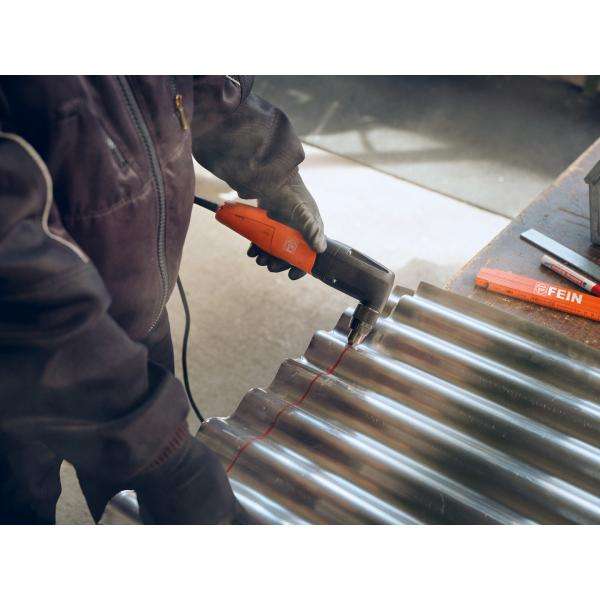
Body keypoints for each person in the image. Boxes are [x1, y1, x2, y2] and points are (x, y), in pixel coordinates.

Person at [0, 76, 326, 524]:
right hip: (23, 363)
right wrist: (160, 452)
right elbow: (14, 275)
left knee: (138, 498)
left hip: (138, 315)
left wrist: (273, 169)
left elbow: (198, 79)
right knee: (19, 503)